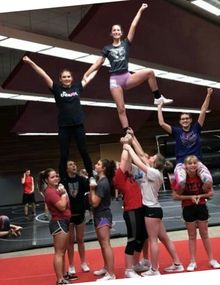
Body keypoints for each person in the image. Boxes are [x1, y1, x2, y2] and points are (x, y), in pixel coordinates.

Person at [83, 3, 173, 133]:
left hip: (127, 77)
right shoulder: (107, 48)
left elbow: (133, 25)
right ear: (111, 33)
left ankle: (158, 97)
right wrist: (87, 73)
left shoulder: (126, 43)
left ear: (121, 32)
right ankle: (127, 130)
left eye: (118, 30)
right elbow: (99, 62)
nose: (116, 32)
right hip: (115, 81)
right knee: (121, 108)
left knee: (150, 72)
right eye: (114, 30)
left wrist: (140, 10)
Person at [22, 56, 97, 186]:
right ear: (60, 79)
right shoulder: (57, 89)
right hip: (64, 126)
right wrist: (30, 62)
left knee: (84, 151)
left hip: (78, 124)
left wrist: (101, 63)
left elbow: (90, 76)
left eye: (69, 76)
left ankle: (91, 177)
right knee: (64, 154)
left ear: (71, 78)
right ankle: (62, 181)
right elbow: (43, 74)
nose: (67, 78)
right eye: (64, 77)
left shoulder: (77, 88)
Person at [123, 130, 184, 276]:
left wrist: (127, 146)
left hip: (151, 210)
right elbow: (142, 154)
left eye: (152, 157)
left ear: (155, 163)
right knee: (164, 238)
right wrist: (133, 137)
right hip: (155, 209)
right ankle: (177, 264)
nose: (149, 157)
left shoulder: (154, 173)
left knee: (153, 240)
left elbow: (138, 160)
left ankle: (155, 269)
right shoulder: (153, 170)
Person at [158, 87, 213, 191]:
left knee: (208, 180)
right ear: (180, 122)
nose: (185, 120)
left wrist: (208, 95)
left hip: (196, 162)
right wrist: (160, 107)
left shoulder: (196, 128)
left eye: (187, 118)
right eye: (183, 119)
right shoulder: (176, 131)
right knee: (181, 181)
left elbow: (203, 111)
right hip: (182, 162)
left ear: (191, 120)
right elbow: (161, 123)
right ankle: (184, 194)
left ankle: (203, 195)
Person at [172, 155, 220, 271]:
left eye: (195, 163)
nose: (193, 165)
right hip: (188, 207)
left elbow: (211, 193)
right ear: (185, 166)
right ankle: (192, 261)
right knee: (192, 236)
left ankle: (211, 259)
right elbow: (175, 196)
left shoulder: (202, 176)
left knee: (204, 234)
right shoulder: (181, 179)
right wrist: (190, 197)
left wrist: (199, 196)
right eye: (190, 163)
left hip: (201, 206)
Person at [113, 137, 148, 278]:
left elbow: (127, 161)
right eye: (118, 165)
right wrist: (125, 144)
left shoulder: (129, 176)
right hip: (131, 210)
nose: (122, 164)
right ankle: (128, 270)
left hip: (139, 208)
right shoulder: (118, 177)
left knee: (142, 236)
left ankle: (135, 264)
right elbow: (124, 159)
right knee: (132, 238)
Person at [38, 168, 71, 285]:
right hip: (58, 222)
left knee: (62, 251)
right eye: (52, 177)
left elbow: (67, 205)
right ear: (47, 180)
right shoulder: (50, 192)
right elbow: (62, 206)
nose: (56, 178)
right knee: (59, 252)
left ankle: (63, 275)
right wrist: (63, 194)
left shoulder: (55, 189)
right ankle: (60, 280)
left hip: (63, 221)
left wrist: (63, 193)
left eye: (56, 176)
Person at [89, 159, 116, 281]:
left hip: (103, 215)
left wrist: (91, 189)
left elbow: (94, 202)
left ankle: (111, 274)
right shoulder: (101, 181)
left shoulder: (102, 183)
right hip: (99, 215)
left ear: (103, 168)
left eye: (98, 164)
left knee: (106, 244)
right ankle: (106, 267)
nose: (96, 165)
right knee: (102, 244)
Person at [63, 161, 90, 281]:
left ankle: (83, 262)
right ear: (66, 168)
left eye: (74, 164)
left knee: (80, 239)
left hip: (80, 213)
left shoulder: (81, 179)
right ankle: (71, 264)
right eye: (70, 165)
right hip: (69, 214)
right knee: (70, 241)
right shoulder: (63, 180)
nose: (74, 166)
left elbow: (90, 187)